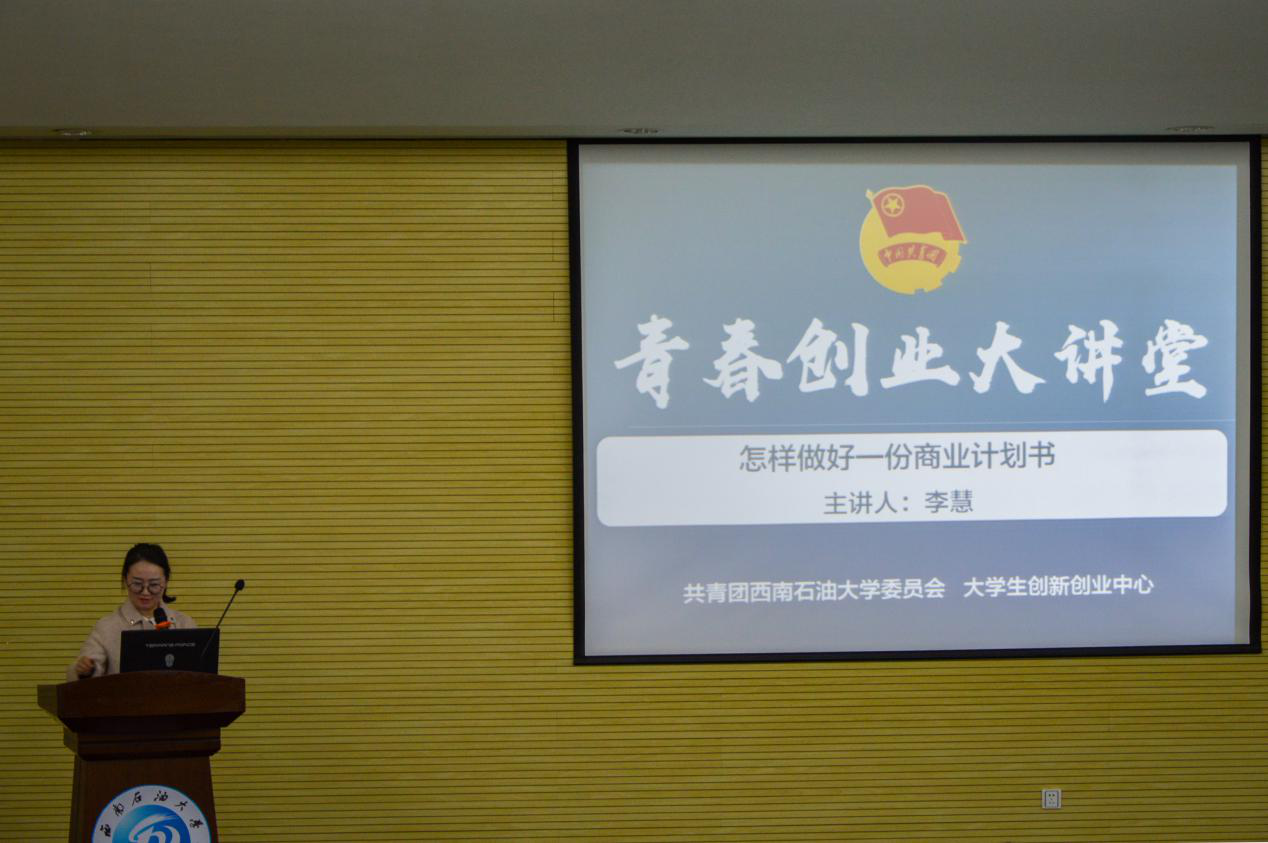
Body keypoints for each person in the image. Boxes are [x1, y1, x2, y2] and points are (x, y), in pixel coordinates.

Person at [67, 543, 197, 680]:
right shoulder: (107, 627)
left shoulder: (184, 623)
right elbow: (81, 672)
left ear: (165, 582)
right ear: (125, 580)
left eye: (153, 585)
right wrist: (85, 669)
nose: (145, 592)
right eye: (137, 584)